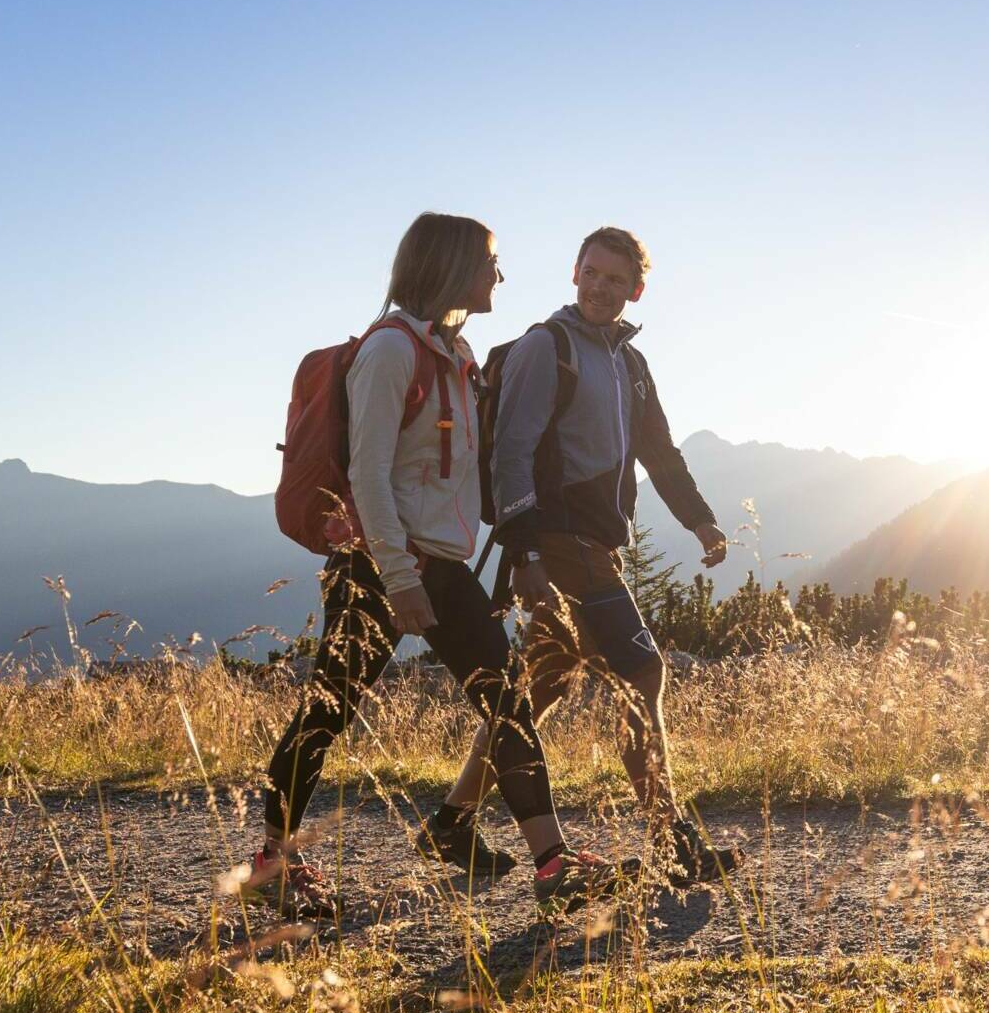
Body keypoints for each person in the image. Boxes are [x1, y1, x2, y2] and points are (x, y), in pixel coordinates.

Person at [249, 212, 631, 920]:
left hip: (443, 565)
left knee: (507, 699)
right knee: (329, 711)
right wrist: (398, 578)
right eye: (491, 260)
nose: (500, 274)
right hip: (380, 563)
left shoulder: (454, 353)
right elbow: (368, 474)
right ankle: (273, 859)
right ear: (452, 266)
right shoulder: (392, 351)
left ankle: (552, 865)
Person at [434, 225, 738, 883]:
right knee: (641, 674)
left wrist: (702, 521)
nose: (600, 287)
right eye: (591, 273)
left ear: (636, 288)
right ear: (574, 272)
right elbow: (511, 452)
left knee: (537, 691)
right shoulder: (550, 346)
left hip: (595, 541)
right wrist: (525, 555)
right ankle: (675, 844)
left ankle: (450, 824)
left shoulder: (629, 363)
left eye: (614, 279)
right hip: (557, 541)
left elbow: (659, 451)